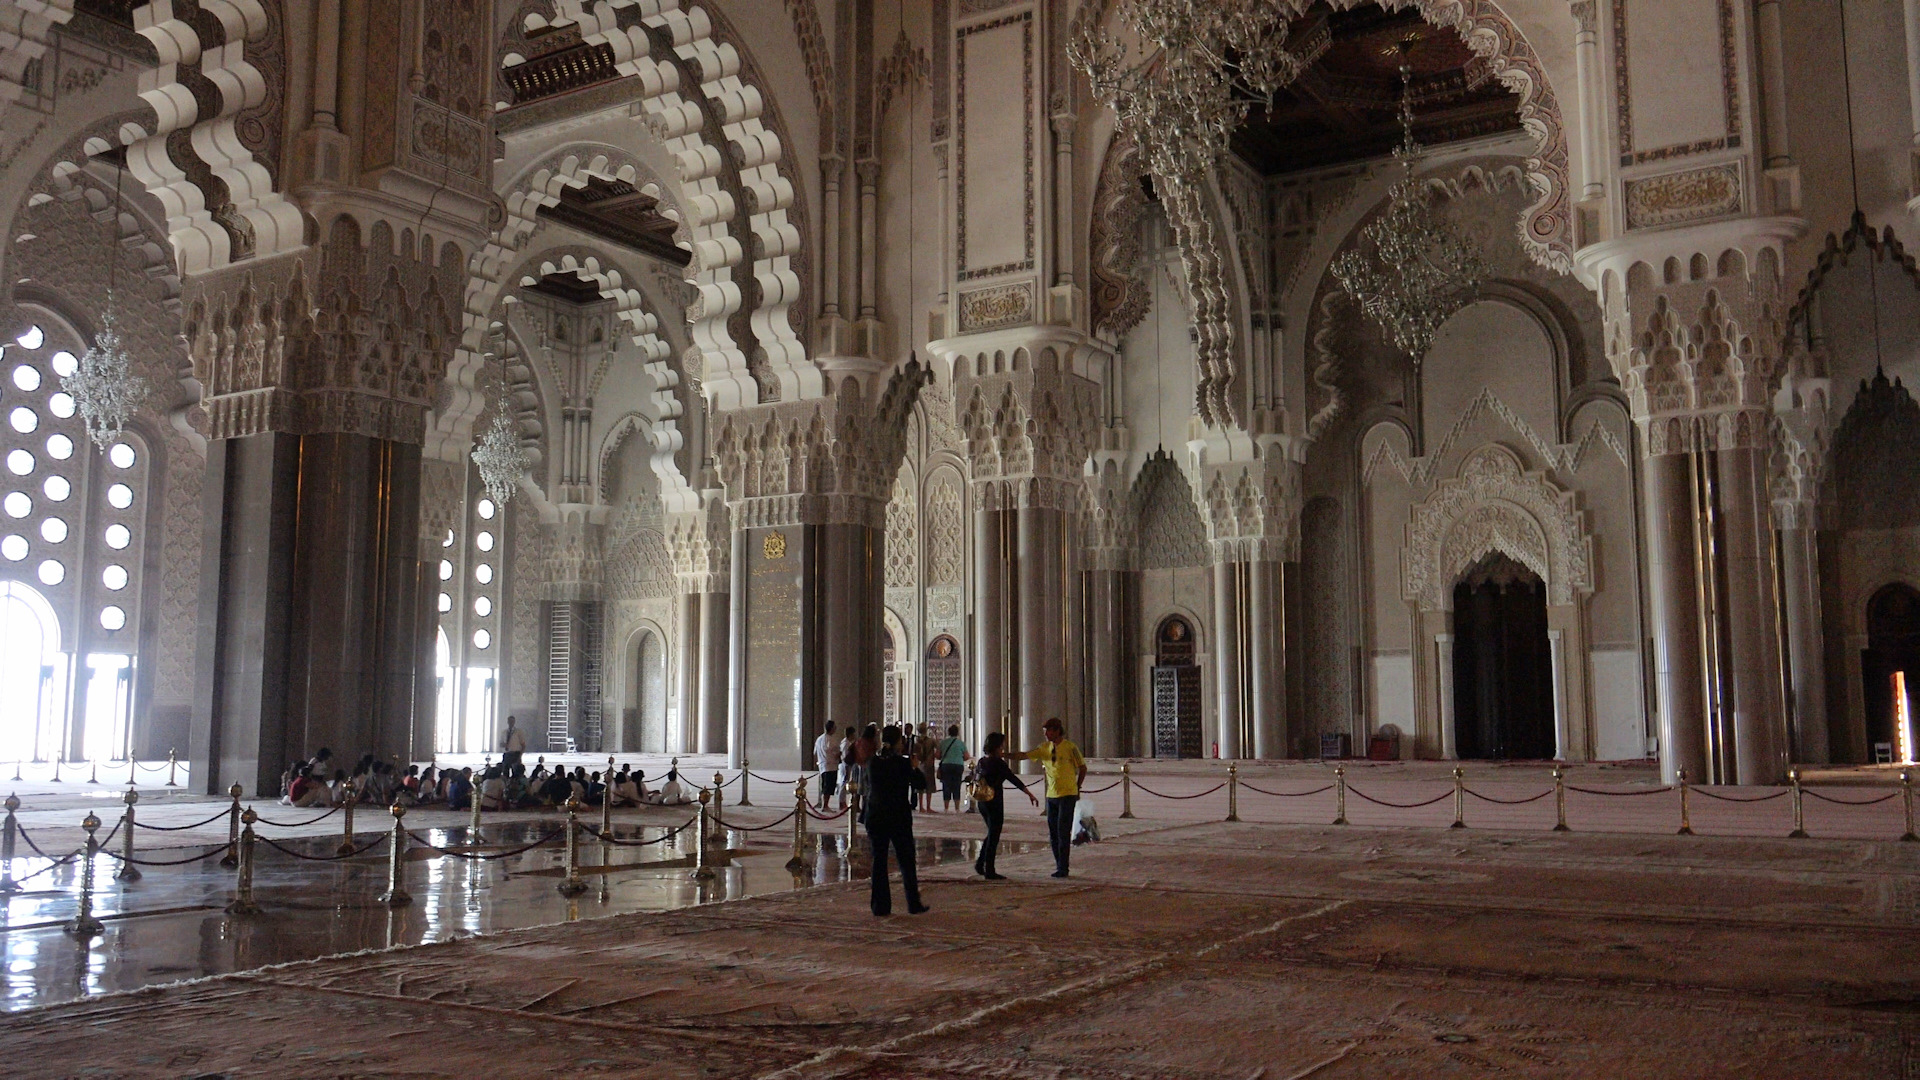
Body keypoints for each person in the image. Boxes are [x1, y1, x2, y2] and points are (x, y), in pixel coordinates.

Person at [863, 724, 929, 916]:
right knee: (906, 861)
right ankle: (913, 903)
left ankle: (880, 906)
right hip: (897, 816)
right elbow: (920, 784)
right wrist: (915, 768)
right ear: (898, 742)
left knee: (879, 861)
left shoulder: (872, 762)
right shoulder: (902, 763)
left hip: (875, 815)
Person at [1008, 717, 1086, 879]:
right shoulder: (1044, 748)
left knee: (1063, 831)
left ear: (1057, 731)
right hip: (1051, 796)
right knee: (1053, 833)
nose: (1046, 735)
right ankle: (1059, 864)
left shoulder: (1070, 747)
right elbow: (1024, 755)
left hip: (1068, 795)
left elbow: (1082, 767)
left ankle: (1063, 867)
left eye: (1048, 732)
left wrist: (1077, 787)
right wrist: (1003, 755)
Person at [972, 731, 1035, 879]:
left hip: (982, 802)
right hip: (994, 802)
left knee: (991, 833)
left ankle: (981, 863)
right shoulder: (999, 763)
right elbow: (1013, 779)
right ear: (997, 746)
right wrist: (1029, 793)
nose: (1003, 748)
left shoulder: (982, 761)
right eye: (1002, 745)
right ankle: (989, 870)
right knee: (994, 835)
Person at [936, 725, 969, 812]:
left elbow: (938, 755)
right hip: (958, 765)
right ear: (957, 733)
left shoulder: (943, 742)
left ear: (948, 732)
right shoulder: (960, 743)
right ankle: (957, 808)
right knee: (957, 785)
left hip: (946, 765)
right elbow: (966, 756)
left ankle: (946, 808)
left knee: (946, 785)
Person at [813, 721, 841, 810]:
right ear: (832, 728)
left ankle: (823, 804)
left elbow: (815, 752)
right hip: (831, 765)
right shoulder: (831, 740)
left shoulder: (819, 739)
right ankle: (825, 805)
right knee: (828, 787)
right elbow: (834, 753)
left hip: (822, 765)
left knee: (824, 785)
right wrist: (840, 754)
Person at [914, 724, 939, 812]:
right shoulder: (930, 740)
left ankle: (921, 806)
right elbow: (938, 746)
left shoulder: (916, 740)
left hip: (920, 765)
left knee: (920, 786)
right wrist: (935, 733)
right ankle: (928, 806)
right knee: (929, 786)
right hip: (929, 764)